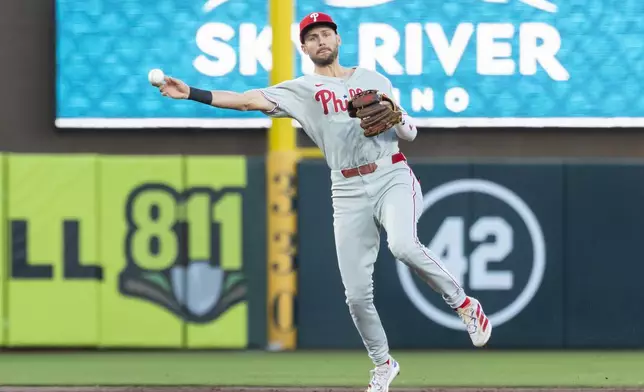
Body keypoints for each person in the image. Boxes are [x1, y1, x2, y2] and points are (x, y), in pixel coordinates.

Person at [156, 11, 491, 392]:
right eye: (312, 36)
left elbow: (409, 132)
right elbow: (248, 100)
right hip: (346, 188)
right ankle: (383, 364)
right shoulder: (301, 89)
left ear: (338, 39)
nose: (320, 40)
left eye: (326, 33)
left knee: (403, 245)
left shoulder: (373, 79)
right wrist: (193, 93)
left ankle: (464, 305)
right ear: (304, 47)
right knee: (355, 295)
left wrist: (396, 115)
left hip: (390, 173)